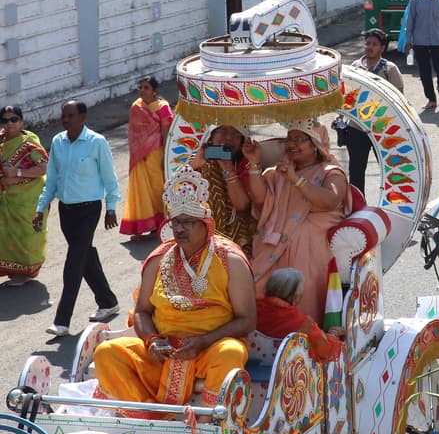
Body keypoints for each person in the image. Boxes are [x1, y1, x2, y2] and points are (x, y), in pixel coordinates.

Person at [94, 168, 254, 412]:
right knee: (107, 352)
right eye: (176, 222)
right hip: (163, 352)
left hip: (210, 348)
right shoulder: (159, 258)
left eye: (188, 222)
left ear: (207, 224)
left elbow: (247, 320)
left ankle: (209, 424)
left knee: (231, 352)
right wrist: (152, 341)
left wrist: (203, 342)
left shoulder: (230, 259)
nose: (180, 229)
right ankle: (147, 418)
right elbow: (142, 311)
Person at [246, 119, 351, 323]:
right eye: (289, 139)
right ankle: (267, 341)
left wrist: (296, 180)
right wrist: (253, 163)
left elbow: (330, 200)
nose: (292, 144)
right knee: (256, 288)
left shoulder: (331, 172)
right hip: (272, 247)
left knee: (302, 292)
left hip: (312, 249)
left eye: (299, 139)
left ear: (315, 145)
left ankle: (305, 342)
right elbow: (259, 200)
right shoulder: (278, 173)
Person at [35, 100, 120, 338]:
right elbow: (51, 179)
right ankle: (108, 301)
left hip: (89, 209)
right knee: (84, 255)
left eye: (70, 115)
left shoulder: (97, 142)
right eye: (64, 116)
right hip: (67, 211)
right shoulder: (58, 142)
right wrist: (40, 208)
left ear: (82, 117)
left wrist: (110, 207)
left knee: (73, 262)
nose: (65, 120)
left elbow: (110, 178)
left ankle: (62, 321)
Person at [340, 30, 404, 194]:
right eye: (367, 43)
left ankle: (391, 204)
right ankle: (357, 207)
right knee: (356, 171)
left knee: (389, 170)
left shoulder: (390, 69)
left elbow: (398, 99)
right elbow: (346, 95)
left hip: (382, 130)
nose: (369, 47)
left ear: (382, 48)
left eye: (374, 44)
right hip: (356, 127)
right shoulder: (355, 67)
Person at [0, 105, 48, 287]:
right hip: (6, 199)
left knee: (27, 234)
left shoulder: (29, 143)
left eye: (13, 119)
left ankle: (27, 272)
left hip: (28, 198)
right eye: (5, 120)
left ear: (21, 121)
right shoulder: (1, 142)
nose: (9, 124)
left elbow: (44, 167)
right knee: (7, 234)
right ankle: (14, 270)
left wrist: (17, 173)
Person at [120, 76, 174, 237]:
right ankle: (149, 223)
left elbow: (166, 132)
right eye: (141, 87)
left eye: (146, 88)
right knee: (143, 188)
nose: (142, 91)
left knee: (158, 186)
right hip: (139, 155)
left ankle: (163, 221)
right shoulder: (136, 106)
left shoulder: (162, 107)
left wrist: (166, 154)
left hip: (156, 152)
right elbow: (133, 133)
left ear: (154, 91)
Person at [190, 125, 255, 256]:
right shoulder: (196, 160)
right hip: (200, 233)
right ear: (211, 138)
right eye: (223, 132)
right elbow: (175, 195)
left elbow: (242, 205)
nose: (229, 138)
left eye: (236, 134)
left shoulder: (245, 164)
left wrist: (228, 169)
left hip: (236, 236)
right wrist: (194, 166)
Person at [255, 268, 343, 363]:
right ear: (296, 297)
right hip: (290, 374)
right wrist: (333, 335)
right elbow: (325, 351)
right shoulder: (303, 323)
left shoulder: (251, 309)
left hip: (252, 366)